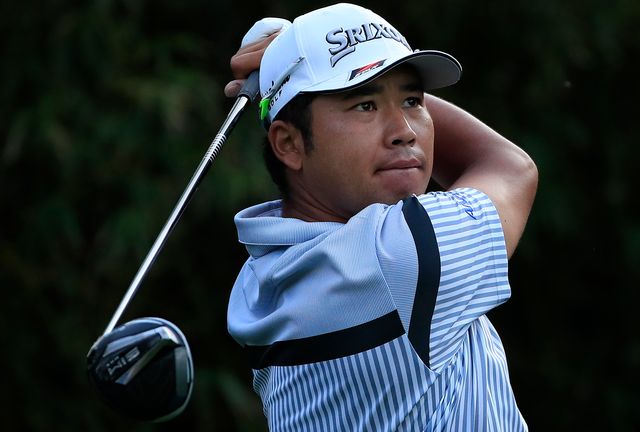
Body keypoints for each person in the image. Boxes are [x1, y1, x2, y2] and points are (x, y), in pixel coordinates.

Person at [224, 3, 538, 431]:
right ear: (289, 144)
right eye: (364, 105)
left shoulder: (264, 271)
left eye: (412, 100)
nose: (404, 129)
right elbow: (509, 166)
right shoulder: (398, 254)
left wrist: (288, 73)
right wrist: (288, 61)